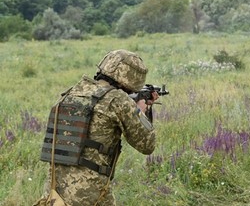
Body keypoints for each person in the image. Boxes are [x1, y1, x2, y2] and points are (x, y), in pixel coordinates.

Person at [34, 49, 158, 206]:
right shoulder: (119, 100)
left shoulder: (73, 91)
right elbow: (147, 145)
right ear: (132, 78)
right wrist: (140, 112)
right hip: (90, 195)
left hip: (53, 193)